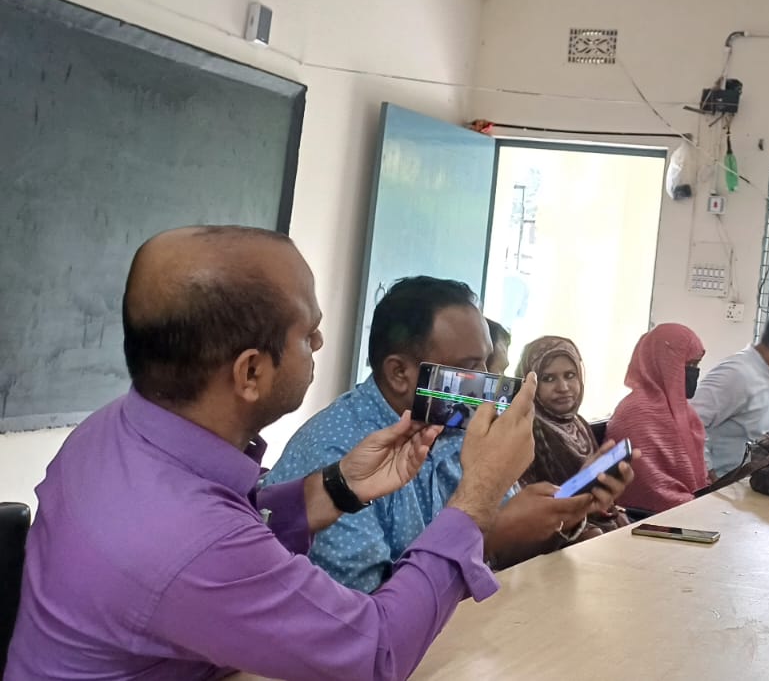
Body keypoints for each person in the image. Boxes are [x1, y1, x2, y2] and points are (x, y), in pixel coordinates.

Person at [5, 226, 537, 679]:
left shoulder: (111, 431)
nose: (322, 343)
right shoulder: (188, 538)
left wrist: (334, 488)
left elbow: (231, 533)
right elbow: (376, 653)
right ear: (251, 372)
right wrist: (475, 500)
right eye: (309, 332)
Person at [265, 276, 629, 591]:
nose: (490, 382)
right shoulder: (337, 453)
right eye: (472, 368)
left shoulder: (455, 426)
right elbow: (370, 614)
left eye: (491, 363)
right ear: (399, 374)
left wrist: (564, 509)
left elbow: (508, 549)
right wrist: (488, 538)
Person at [515, 335, 627, 538]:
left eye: (570, 375)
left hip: (593, 519)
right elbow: (527, 510)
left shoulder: (578, 423)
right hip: (551, 535)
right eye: (548, 378)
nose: (563, 387)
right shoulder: (526, 429)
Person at [691, 305, 769, 478]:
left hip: (757, 489)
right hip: (724, 492)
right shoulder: (737, 374)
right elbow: (690, 423)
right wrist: (709, 477)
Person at [606, 323, 708, 514]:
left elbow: (699, 477)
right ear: (663, 363)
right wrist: (700, 507)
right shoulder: (636, 412)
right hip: (649, 521)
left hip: (689, 510)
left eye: (696, 365)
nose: (693, 372)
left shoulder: (684, 412)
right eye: (687, 365)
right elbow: (652, 488)